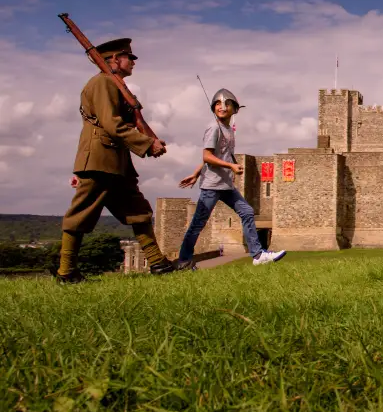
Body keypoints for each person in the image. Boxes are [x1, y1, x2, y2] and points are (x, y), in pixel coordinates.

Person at [53, 38, 176, 283]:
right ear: (113, 60)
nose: (132, 62)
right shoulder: (102, 83)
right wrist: (147, 143)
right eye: (128, 57)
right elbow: (111, 124)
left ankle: (158, 264)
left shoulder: (115, 85)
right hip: (99, 159)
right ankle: (66, 272)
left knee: (139, 211)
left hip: (116, 160)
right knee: (80, 216)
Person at [176, 88, 286, 269]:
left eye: (227, 103)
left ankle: (258, 255)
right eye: (218, 103)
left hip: (225, 185)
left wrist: (196, 173)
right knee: (198, 224)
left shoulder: (228, 130)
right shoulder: (214, 128)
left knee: (247, 212)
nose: (222, 107)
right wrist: (231, 166)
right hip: (212, 186)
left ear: (235, 109)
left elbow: (216, 155)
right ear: (213, 107)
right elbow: (207, 156)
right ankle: (184, 261)